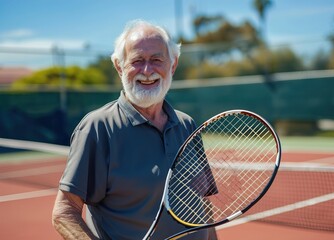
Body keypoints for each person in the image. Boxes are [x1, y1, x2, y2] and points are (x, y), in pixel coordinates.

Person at [52, 19, 218, 240]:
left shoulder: (186, 124)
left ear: (173, 64)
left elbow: (202, 203)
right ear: (119, 66)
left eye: (157, 59)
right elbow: (64, 212)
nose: (147, 71)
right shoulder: (97, 128)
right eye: (137, 60)